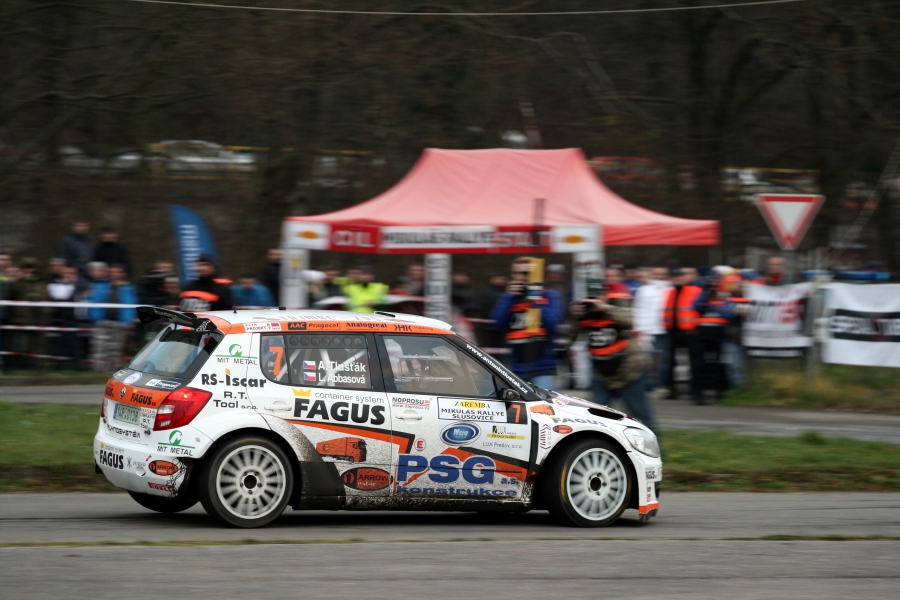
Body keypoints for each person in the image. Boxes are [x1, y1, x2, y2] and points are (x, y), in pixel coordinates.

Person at [571, 289, 657, 432]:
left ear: (605, 295)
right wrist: (575, 317)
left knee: (641, 415)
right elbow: (571, 337)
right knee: (596, 417)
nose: (592, 302)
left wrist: (605, 308)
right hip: (601, 375)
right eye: (589, 298)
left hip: (629, 372)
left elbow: (629, 320)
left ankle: (654, 445)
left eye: (596, 297)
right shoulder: (585, 314)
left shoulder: (618, 304)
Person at [490, 257, 565, 389]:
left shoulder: (550, 295)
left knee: (544, 402)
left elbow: (552, 324)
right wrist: (509, 298)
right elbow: (497, 323)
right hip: (515, 368)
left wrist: (534, 298)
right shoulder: (509, 297)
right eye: (516, 273)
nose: (521, 278)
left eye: (525, 274)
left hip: (543, 368)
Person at [661, 268, 704, 401]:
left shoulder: (696, 291)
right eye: (675, 276)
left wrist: (697, 326)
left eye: (681, 276)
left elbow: (701, 310)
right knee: (671, 362)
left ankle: (696, 392)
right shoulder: (671, 292)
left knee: (695, 362)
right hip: (673, 331)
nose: (678, 278)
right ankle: (672, 390)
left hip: (691, 331)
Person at [86, 263, 138, 371]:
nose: (115, 274)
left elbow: (131, 305)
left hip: (120, 323)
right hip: (101, 322)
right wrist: (95, 318)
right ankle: (98, 370)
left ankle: (112, 371)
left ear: (123, 274)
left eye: (118, 272)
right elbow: (93, 302)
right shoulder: (99, 286)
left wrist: (127, 321)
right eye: (112, 272)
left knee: (115, 349)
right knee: (99, 347)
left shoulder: (128, 288)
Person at [633, 267, 671, 390]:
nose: (659, 277)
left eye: (662, 274)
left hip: (663, 329)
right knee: (646, 359)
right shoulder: (643, 290)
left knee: (663, 360)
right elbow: (638, 310)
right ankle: (646, 385)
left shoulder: (671, 288)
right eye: (656, 274)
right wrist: (638, 329)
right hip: (647, 330)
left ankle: (660, 384)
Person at [7, 258, 48, 369]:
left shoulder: (41, 285)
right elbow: (11, 294)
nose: (28, 273)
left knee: (35, 345)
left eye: (31, 270)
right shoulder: (18, 284)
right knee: (20, 345)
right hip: (20, 320)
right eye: (26, 270)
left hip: (36, 320)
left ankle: (33, 366)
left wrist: (43, 319)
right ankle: (18, 366)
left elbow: (45, 303)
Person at [47, 264, 89, 368]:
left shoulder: (82, 287)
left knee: (76, 345)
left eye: (72, 273)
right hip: (60, 320)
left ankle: (75, 366)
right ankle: (60, 365)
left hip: (77, 321)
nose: (69, 275)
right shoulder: (55, 286)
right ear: (61, 275)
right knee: (59, 345)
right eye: (66, 273)